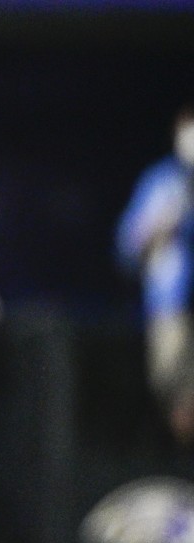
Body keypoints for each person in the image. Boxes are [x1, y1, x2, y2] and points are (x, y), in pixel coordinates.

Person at [116, 103, 194, 448]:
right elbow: (127, 247)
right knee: (170, 386)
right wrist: (156, 228)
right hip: (170, 306)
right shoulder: (160, 181)